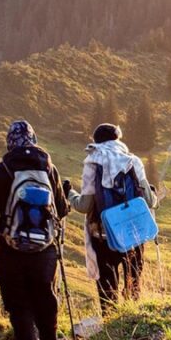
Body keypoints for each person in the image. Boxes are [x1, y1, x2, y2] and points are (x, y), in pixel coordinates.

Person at [0, 120, 69, 340]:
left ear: (10, 143)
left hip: (9, 252)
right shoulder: (49, 169)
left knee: (19, 309)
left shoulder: (1, 170)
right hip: (44, 252)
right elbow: (62, 208)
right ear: (33, 140)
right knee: (47, 307)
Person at [64, 123, 158, 313]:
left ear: (96, 142)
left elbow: (84, 206)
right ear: (118, 139)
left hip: (104, 235)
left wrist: (69, 193)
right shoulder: (133, 161)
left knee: (108, 288)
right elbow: (150, 201)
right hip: (134, 234)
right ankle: (132, 325)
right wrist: (153, 195)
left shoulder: (92, 162)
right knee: (133, 285)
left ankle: (110, 326)